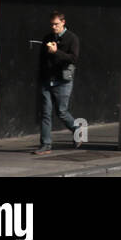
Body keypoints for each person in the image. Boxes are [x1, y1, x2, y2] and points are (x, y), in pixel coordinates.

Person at [35, 10, 81, 155]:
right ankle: (46, 144)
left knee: (61, 112)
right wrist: (41, 77)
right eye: (51, 24)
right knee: (45, 113)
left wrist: (56, 52)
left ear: (63, 22)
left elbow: (73, 59)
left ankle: (77, 129)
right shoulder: (47, 38)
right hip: (47, 80)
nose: (54, 27)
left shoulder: (72, 38)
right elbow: (42, 59)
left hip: (63, 80)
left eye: (56, 24)